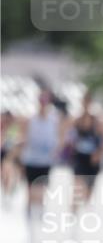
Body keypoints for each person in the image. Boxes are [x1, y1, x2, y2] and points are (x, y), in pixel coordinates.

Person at [17, 89, 69, 222]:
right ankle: (29, 217)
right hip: (30, 160)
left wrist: (57, 149)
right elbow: (23, 137)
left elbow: (62, 135)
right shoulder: (30, 119)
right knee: (30, 190)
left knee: (41, 190)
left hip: (45, 161)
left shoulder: (54, 120)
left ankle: (38, 213)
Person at [69, 91, 103, 210]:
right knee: (77, 184)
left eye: (88, 101)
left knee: (88, 193)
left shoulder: (96, 122)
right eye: (84, 101)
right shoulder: (77, 120)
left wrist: (99, 153)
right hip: (80, 157)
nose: (86, 104)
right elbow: (69, 137)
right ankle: (73, 211)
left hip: (93, 159)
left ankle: (83, 204)